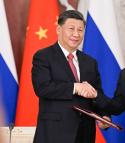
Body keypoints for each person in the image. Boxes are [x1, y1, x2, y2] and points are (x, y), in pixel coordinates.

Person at [32, 10, 104, 143]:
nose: (76, 34)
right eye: (71, 29)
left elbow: (96, 94)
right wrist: (74, 87)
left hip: (85, 133)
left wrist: (104, 116)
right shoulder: (43, 56)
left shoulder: (90, 62)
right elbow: (42, 88)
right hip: (54, 133)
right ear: (59, 29)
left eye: (80, 30)